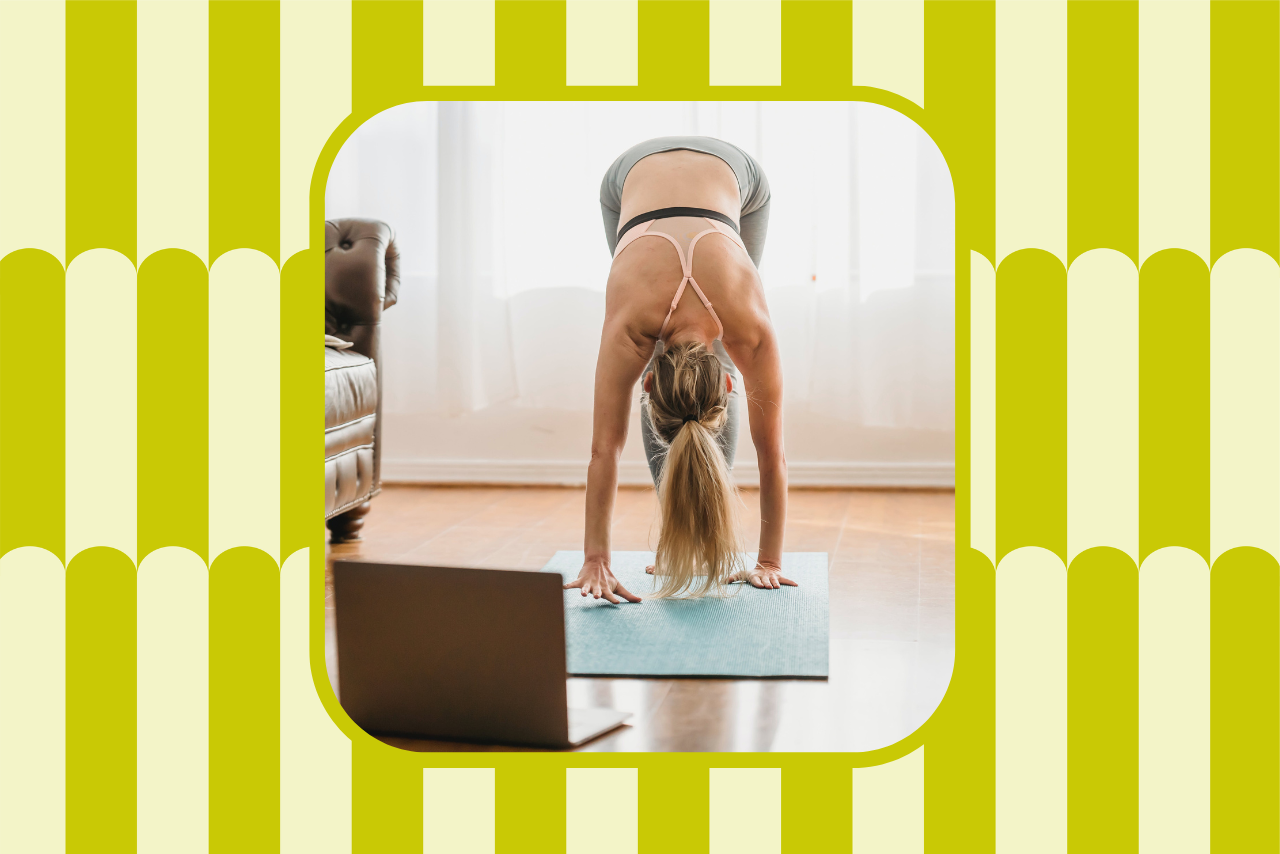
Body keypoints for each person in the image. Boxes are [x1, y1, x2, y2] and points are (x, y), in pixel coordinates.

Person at [564, 136, 795, 603]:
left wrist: (596, 559)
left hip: (734, 181)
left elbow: (602, 452)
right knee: (685, 347)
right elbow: (774, 455)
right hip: (629, 180)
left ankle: (703, 533)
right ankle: (683, 535)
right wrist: (769, 563)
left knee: (698, 346)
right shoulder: (746, 330)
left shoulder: (641, 328)